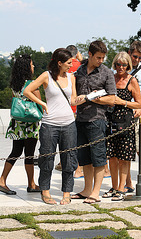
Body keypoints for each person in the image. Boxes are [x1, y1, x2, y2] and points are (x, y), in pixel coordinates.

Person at [24, 48, 86, 205]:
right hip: (49, 124)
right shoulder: (47, 76)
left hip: (69, 124)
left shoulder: (71, 77)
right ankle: (45, 191)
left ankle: (67, 193)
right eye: (68, 63)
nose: (71, 65)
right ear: (59, 63)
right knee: (47, 158)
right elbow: (27, 90)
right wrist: (42, 103)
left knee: (69, 159)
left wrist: (83, 99)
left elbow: (72, 101)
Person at [71, 40, 117, 204]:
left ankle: (96, 192)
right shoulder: (79, 71)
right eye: (98, 57)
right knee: (84, 159)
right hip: (80, 119)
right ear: (89, 54)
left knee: (98, 157)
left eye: (103, 58)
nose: (101, 61)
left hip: (97, 120)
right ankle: (86, 189)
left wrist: (93, 98)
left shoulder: (106, 73)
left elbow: (112, 99)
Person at [103, 51, 141, 201]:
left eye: (124, 65)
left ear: (128, 65)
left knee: (124, 157)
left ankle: (121, 188)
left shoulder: (132, 80)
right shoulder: (111, 78)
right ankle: (113, 187)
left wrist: (123, 102)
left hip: (125, 122)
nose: (121, 67)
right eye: (118, 64)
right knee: (111, 156)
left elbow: (139, 103)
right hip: (111, 121)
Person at [0, 55, 41, 195]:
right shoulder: (32, 84)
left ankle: (2, 180)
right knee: (29, 154)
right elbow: (38, 103)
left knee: (15, 152)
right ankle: (31, 184)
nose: (33, 66)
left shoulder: (15, 84)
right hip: (30, 124)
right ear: (27, 67)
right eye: (32, 64)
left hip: (17, 123)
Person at [124, 41, 141, 194]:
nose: (136, 60)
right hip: (123, 115)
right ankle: (127, 182)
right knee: (124, 151)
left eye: (140, 58)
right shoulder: (120, 67)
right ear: (129, 52)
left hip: (139, 115)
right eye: (135, 56)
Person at [55, 45, 84, 179]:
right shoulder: (79, 65)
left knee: (64, 142)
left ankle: (63, 163)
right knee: (75, 141)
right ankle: (78, 169)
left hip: (61, 109)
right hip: (75, 107)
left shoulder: (58, 68)